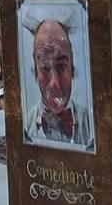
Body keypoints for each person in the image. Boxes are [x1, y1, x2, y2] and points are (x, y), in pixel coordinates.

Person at [23, 19, 94, 148]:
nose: (54, 83)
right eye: (45, 68)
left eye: (61, 67)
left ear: (72, 66)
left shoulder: (94, 126)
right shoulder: (24, 127)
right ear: (35, 69)